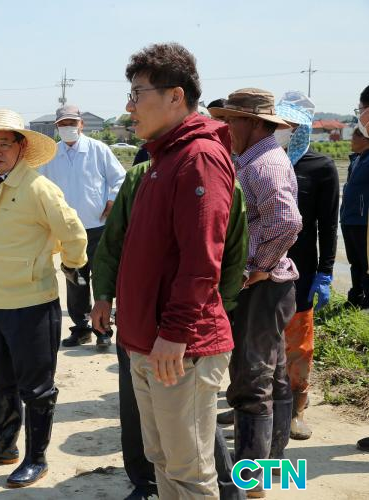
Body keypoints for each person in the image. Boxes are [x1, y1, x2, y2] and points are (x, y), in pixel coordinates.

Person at [97, 42, 237, 499]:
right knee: (162, 462)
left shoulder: (199, 157)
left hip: (180, 349)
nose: (129, 107)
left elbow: (202, 260)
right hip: (149, 344)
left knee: (189, 471)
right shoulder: (163, 158)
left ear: (176, 96)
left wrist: (175, 333)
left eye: (137, 95)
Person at [92, 153, 248, 499]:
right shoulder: (139, 178)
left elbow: (229, 257)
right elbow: (113, 243)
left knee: (189, 458)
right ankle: (146, 483)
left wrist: (208, 311)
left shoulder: (211, 173)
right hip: (140, 334)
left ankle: (230, 490)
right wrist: (103, 294)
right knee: (161, 451)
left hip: (186, 340)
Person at [0, 109, 87, 488]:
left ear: (21, 147)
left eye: (4, 144)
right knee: (1, 380)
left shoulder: (39, 188)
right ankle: (3, 445)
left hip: (32, 303)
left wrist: (71, 266)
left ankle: (36, 458)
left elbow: (74, 233)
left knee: (37, 387)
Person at [210, 89, 302, 498]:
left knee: (250, 382)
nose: (225, 128)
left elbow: (287, 221)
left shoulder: (265, 164)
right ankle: (270, 462)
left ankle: (252, 477)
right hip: (269, 286)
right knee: (270, 374)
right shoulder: (251, 160)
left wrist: (258, 266)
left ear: (252, 123)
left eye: (230, 120)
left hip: (263, 287)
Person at [273, 91, 339, 441]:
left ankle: (297, 407)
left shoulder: (320, 168)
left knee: (298, 343)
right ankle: (257, 403)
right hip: (262, 266)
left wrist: (325, 271)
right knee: (259, 339)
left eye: (291, 125)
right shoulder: (262, 162)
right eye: (280, 123)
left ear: (303, 129)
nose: (283, 130)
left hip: (301, 269)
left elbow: (327, 225)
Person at [39, 104, 126, 349]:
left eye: (72, 123)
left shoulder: (98, 149)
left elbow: (119, 178)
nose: (67, 127)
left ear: (81, 124)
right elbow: (40, 186)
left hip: (97, 226)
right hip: (66, 231)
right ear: (56, 127)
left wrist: (111, 199)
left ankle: (103, 330)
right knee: (75, 280)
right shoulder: (51, 154)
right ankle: (81, 328)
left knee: (101, 279)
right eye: (62, 124)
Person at [340, 85, 369, 308]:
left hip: (363, 221)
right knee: (355, 262)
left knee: (364, 263)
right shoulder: (357, 159)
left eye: (361, 110)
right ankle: (356, 298)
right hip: (350, 219)